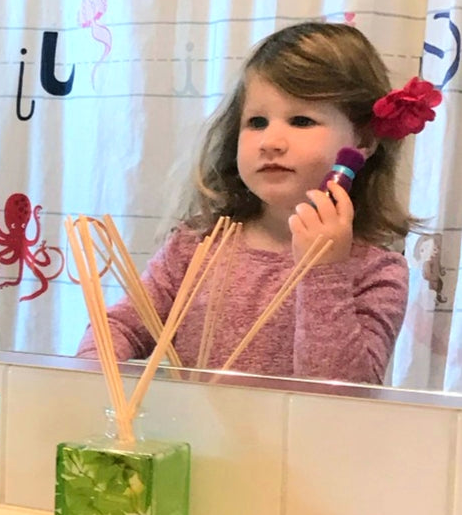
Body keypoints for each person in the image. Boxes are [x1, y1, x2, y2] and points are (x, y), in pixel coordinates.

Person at [77, 22, 430, 384]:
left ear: (363, 141)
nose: (271, 141)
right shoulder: (197, 245)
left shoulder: (377, 271)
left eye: (301, 120)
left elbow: (341, 398)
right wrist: (94, 375)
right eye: (257, 122)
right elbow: (121, 326)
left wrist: (324, 272)